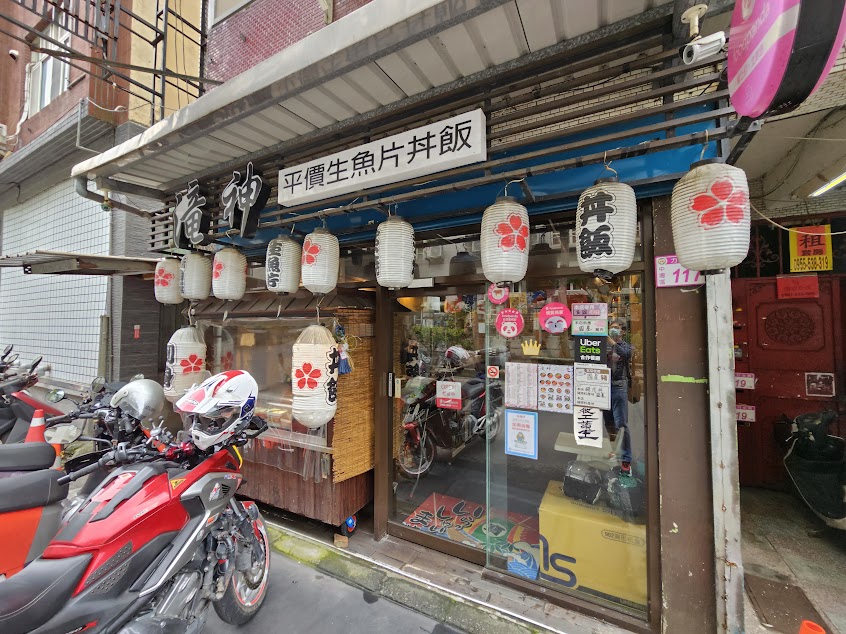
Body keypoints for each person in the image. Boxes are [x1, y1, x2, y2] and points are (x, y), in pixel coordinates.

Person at [606, 320, 633, 477]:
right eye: (612, 327)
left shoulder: (626, 346)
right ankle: (613, 450)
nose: (613, 330)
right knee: (608, 423)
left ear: (622, 332)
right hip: (603, 386)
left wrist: (611, 342)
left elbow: (626, 355)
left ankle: (626, 459)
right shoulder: (604, 345)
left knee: (621, 424)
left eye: (617, 328)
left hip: (618, 387)